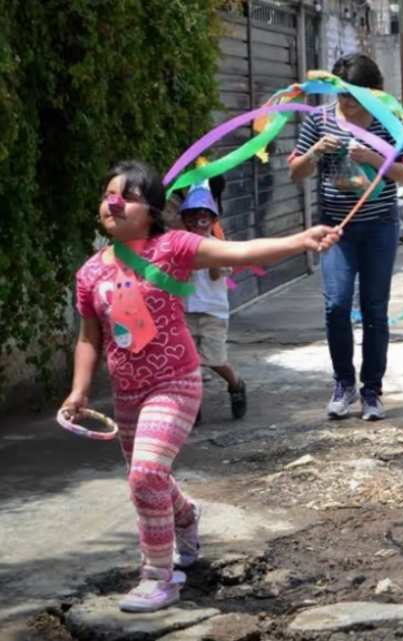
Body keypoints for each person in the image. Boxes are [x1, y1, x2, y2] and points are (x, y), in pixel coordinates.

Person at [62, 161, 340, 613]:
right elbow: (88, 338)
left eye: (128, 195)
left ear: (151, 210)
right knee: (149, 478)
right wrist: (79, 391)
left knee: (146, 474)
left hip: (175, 383)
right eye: (109, 193)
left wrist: (300, 239)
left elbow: (243, 253)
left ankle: (158, 576)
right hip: (128, 394)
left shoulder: (174, 246)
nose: (114, 202)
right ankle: (187, 515)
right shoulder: (89, 273)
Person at [290, 53, 403, 421]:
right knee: (336, 305)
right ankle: (343, 384)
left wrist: (373, 157)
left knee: (375, 310)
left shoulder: (389, 122)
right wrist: (315, 152)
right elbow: (296, 173)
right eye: (342, 94)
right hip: (335, 228)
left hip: (379, 226)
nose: (347, 102)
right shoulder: (320, 119)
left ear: (372, 92)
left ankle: (372, 391)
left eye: (355, 95)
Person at [180, 181, 246, 423]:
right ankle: (192, 404)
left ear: (212, 220)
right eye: (193, 217)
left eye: (204, 217)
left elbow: (219, 273)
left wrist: (209, 257)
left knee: (215, 359)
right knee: (188, 362)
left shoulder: (219, 247)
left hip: (213, 312)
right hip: (185, 312)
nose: (198, 221)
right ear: (185, 221)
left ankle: (237, 385)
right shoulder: (179, 247)